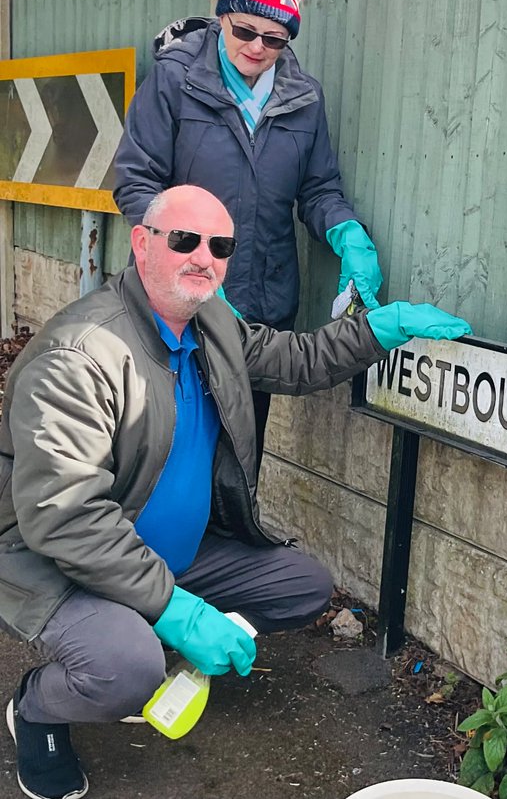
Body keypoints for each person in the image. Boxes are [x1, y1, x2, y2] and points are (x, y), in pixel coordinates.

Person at [0, 185, 470, 799]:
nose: (204, 257)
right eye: (184, 240)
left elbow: (294, 360)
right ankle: (37, 708)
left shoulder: (210, 319)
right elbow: (63, 518)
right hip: (60, 565)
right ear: (142, 245)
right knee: (127, 668)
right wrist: (179, 612)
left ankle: (147, 625)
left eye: (219, 246)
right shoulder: (79, 356)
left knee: (303, 587)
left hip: (170, 548)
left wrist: (379, 330)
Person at [113, 0, 384, 462]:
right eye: (244, 30)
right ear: (224, 9)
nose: (257, 47)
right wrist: (187, 259)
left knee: (237, 459)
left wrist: (347, 232)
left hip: (259, 314)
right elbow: (135, 181)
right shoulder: (175, 80)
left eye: (275, 38)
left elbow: (318, 189)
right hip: (174, 307)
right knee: (162, 456)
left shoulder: (305, 100)